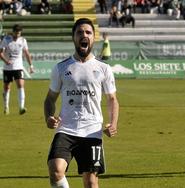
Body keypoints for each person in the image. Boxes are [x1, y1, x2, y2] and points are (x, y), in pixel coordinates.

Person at [44, 18, 119, 188]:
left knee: (91, 182)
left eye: (88, 32)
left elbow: (112, 99)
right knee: (55, 169)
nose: (84, 35)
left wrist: (113, 123)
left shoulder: (103, 68)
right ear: (74, 38)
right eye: (79, 32)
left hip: (92, 131)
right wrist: (49, 116)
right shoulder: (61, 68)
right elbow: (50, 98)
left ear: (94, 38)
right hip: (66, 129)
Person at [0, 24, 33, 115]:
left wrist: (31, 65)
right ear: (13, 32)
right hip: (8, 68)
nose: (18, 35)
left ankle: (21, 107)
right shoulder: (6, 40)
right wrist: (6, 61)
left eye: (19, 33)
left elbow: (26, 53)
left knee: (20, 85)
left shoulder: (23, 40)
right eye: (16, 33)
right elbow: (1, 53)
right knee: (7, 87)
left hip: (18, 67)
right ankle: (6, 107)